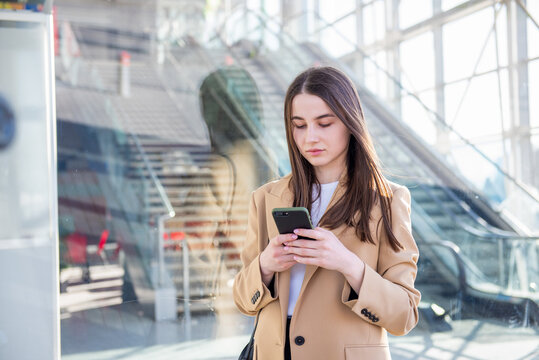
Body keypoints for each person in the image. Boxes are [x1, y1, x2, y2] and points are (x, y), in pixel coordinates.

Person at [233, 66, 420, 360]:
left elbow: (404, 315)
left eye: (324, 123)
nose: (310, 138)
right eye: (299, 125)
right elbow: (244, 301)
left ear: (349, 122)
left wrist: (348, 264)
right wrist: (266, 265)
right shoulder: (266, 198)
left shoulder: (387, 199)